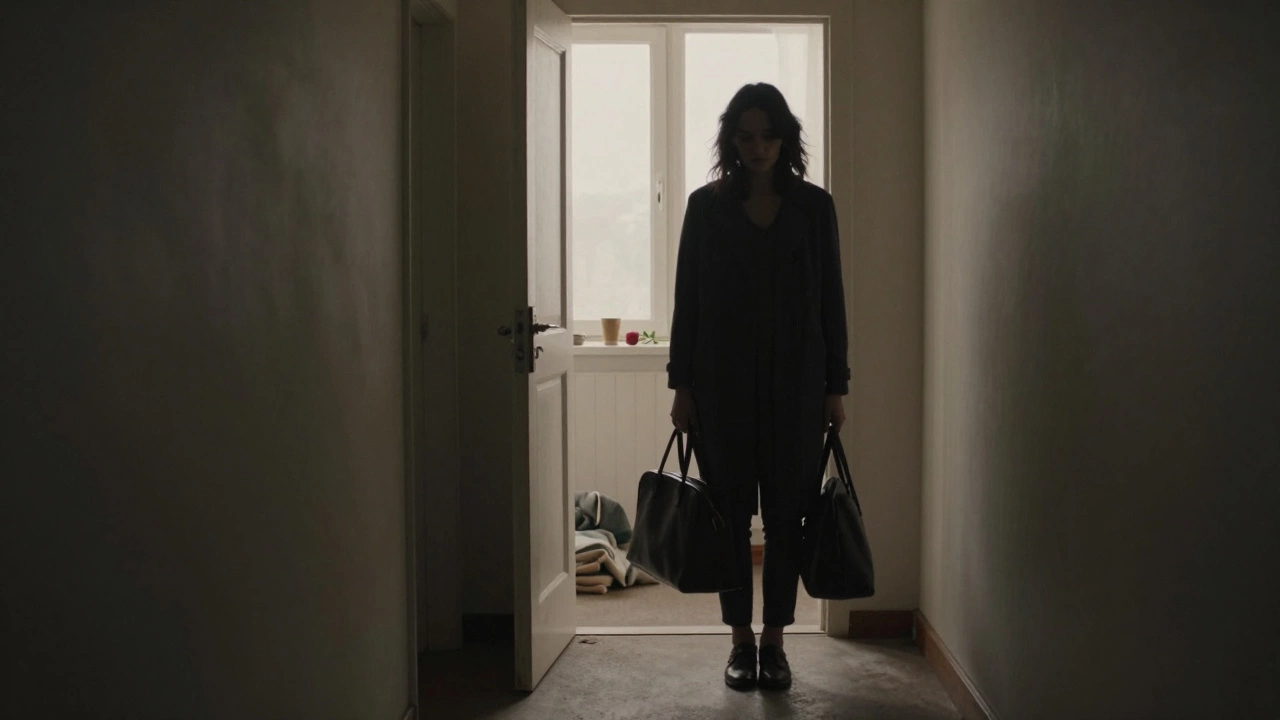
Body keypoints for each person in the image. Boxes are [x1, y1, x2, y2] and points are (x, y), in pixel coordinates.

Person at [667, 82, 849, 692]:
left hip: (798, 385)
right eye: (745, 137)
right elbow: (687, 301)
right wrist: (681, 384)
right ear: (731, 141)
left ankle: (776, 642)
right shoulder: (705, 207)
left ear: (784, 138)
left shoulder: (814, 208)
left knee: (787, 519)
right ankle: (739, 643)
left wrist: (836, 385)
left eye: (767, 135)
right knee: (729, 517)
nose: (757, 147)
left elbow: (832, 302)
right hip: (721, 387)